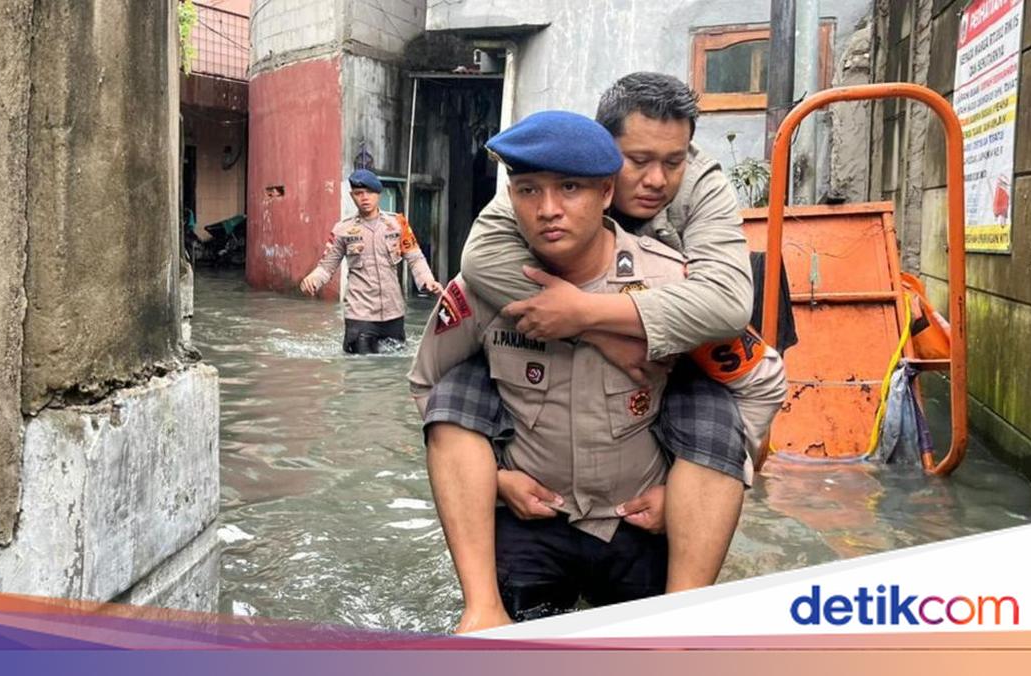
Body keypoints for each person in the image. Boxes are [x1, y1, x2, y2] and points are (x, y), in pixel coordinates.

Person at [423, 73, 780, 632]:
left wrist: (696, 494)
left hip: (638, 509)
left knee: (711, 411)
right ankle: (482, 607)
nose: (657, 179)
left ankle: (682, 624)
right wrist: (494, 479)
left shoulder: (678, 266)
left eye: (673, 161)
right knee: (456, 393)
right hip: (536, 507)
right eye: (637, 160)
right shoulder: (517, 227)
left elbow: (739, 331)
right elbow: (435, 369)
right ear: (601, 157)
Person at [410, 110, 680, 622]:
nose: (548, 209)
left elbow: (749, 390)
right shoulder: (482, 291)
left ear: (606, 193)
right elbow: (426, 383)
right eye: (528, 190)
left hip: (640, 520)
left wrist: (684, 498)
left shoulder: (668, 284)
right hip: (532, 518)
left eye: (570, 187)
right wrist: (495, 481)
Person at [300, 169, 442, 353]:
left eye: (369, 193)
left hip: (394, 313)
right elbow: (327, 266)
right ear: (352, 196)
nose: (364, 198)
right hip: (360, 315)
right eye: (359, 194)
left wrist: (427, 281)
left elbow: (415, 258)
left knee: (392, 374)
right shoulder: (343, 230)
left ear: (378, 194)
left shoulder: (398, 224)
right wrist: (312, 279)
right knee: (361, 371)